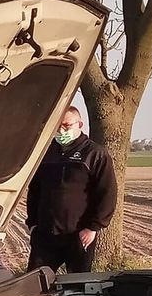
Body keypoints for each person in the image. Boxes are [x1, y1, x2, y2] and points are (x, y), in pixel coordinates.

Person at [24, 97, 118, 274]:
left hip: (79, 235)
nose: (61, 130)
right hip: (45, 235)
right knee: (34, 285)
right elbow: (34, 190)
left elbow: (107, 193)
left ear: (79, 124)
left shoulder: (94, 154)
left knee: (77, 287)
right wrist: (33, 224)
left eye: (66, 126)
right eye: (58, 126)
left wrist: (93, 227)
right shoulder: (46, 152)